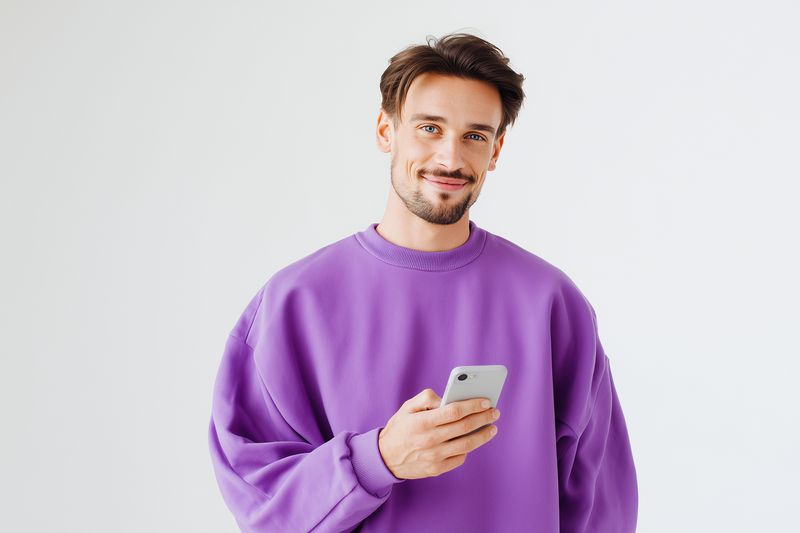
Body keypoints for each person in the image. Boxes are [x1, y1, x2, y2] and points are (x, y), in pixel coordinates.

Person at [208, 32, 638, 532]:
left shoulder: (551, 304)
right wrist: (378, 460)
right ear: (385, 131)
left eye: (475, 136)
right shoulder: (294, 302)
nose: (450, 159)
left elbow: (602, 504)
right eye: (430, 128)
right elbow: (262, 504)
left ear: (496, 150)